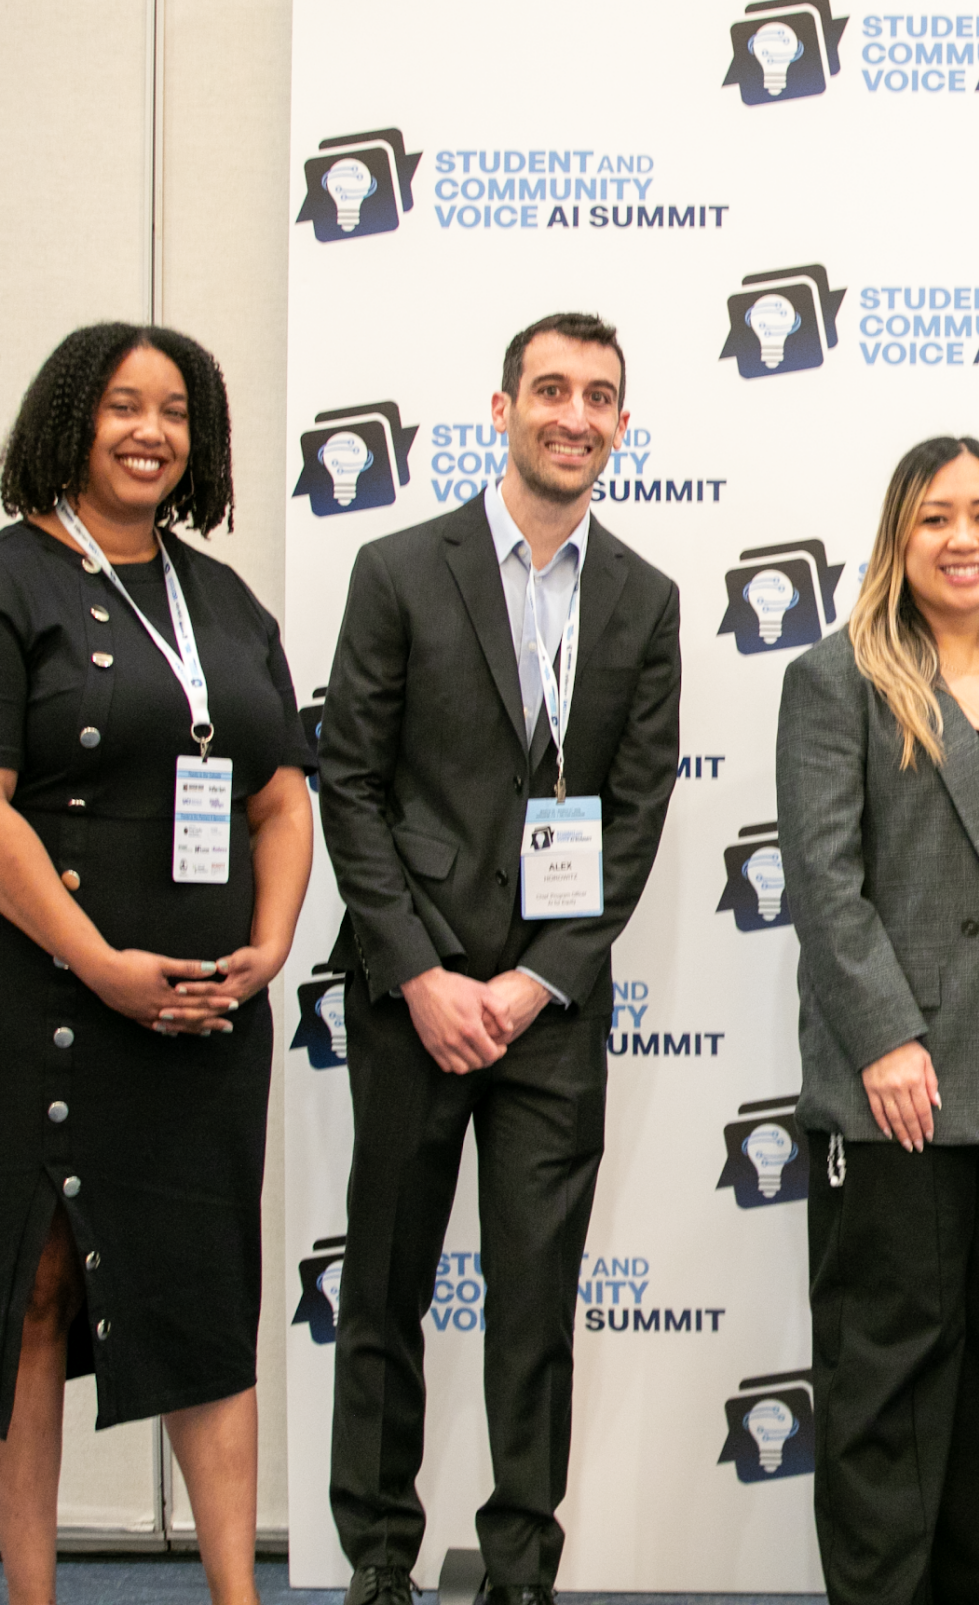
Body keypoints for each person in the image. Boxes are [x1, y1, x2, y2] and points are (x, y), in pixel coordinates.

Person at [0, 323, 315, 1605]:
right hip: (28, 993)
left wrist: (272, 940)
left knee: (204, 1291)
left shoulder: (225, 601)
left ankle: (234, 1596)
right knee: (29, 1286)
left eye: (178, 412)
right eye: (124, 407)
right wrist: (96, 964)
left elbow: (281, 792)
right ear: (67, 421)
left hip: (201, 1005)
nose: (152, 431)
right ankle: (29, 1597)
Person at [317, 313, 681, 1605]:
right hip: (413, 995)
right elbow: (347, 786)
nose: (573, 414)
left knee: (535, 1302)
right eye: (551, 390)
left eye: (599, 396)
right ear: (503, 405)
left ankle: (522, 1560)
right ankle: (376, 1554)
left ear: (622, 425)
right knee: (385, 1289)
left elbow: (633, 819)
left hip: (552, 1006)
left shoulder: (644, 596)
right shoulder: (401, 568)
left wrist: (533, 979)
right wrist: (422, 972)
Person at [775, 436, 979, 1605]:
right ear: (897, 539)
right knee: (887, 1381)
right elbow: (823, 879)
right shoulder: (840, 676)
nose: (964, 539)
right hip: (899, 1089)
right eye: (935, 519)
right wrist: (883, 1039)